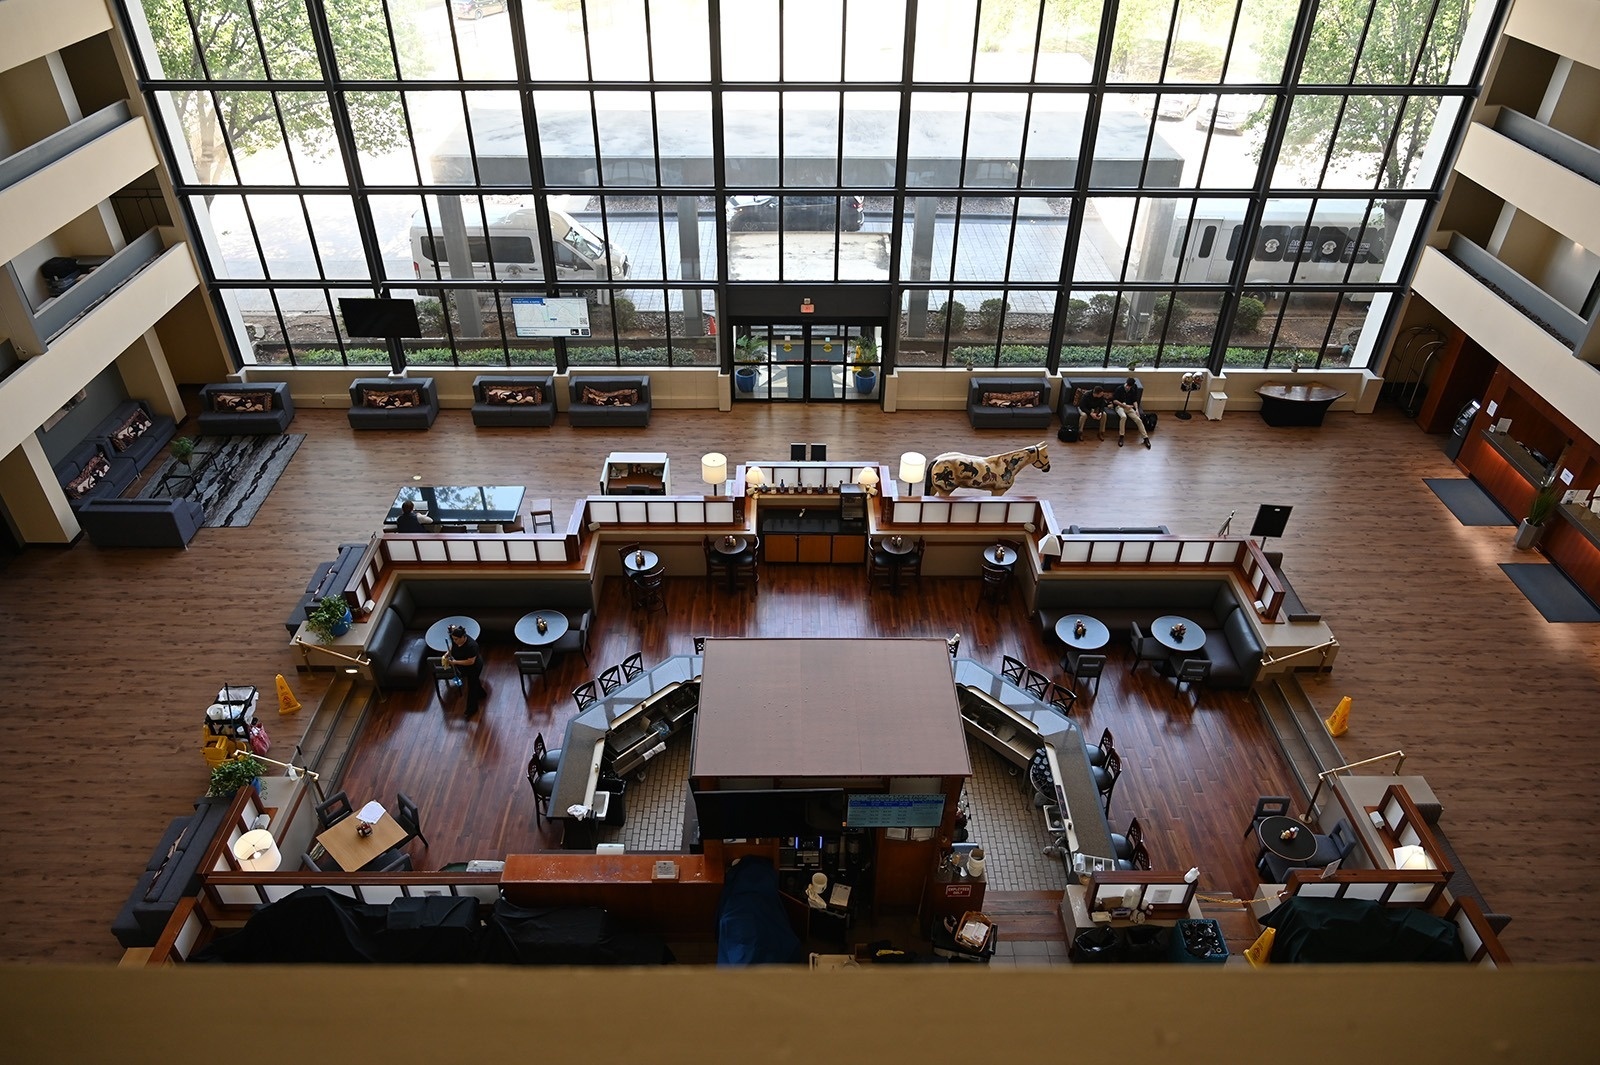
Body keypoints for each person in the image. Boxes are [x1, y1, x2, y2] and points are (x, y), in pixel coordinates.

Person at [443, 624, 488, 716]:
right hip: (462, 665)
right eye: (453, 639)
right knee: (474, 682)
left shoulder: (472, 646)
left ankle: (472, 709)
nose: (454, 641)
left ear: (463, 637)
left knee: (471, 687)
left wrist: (455, 662)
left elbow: (470, 661)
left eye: (456, 639)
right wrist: (447, 654)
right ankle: (481, 694)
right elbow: (452, 647)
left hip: (474, 667)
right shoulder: (455, 640)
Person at [1109, 377, 1152, 449]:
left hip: (1129, 408)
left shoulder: (1133, 390)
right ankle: (1121, 436)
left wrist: (1137, 410)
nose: (1127, 387)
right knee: (1123, 417)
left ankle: (1145, 438)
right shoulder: (1119, 389)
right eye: (1127, 385)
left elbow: (1134, 401)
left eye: (1129, 386)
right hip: (1120, 407)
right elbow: (1115, 401)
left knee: (1138, 420)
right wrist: (1124, 406)